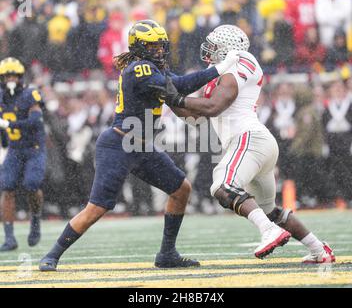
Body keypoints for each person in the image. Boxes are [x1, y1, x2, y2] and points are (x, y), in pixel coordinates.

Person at [39, 19, 239, 271]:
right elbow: (180, 87)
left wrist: (216, 70)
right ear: (140, 47)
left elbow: (178, 84)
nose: (159, 51)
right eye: (154, 46)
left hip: (142, 146)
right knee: (97, 208)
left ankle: (167, 253)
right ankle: (53, 254)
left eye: (161, 46)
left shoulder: (153, 69)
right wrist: (219, 69)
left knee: (181, 189)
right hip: (118, 144)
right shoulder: (139, 69)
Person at [154, 25, 335, 263]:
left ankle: (268, 232)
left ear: (229, 49)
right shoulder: (217, 70)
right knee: (270, 210)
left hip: (248, 139)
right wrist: (168, 97)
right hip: (254, 143)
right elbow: (195, 116)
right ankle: (319, 250)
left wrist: (176, 96)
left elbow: (215, 106)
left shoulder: (241, 59)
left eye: (215, 46)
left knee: (222, 186)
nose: (209, 49)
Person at [0, 57, 46, 251]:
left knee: (31, 185)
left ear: (20, 76)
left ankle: (35, 220)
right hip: (14, 149)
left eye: (14, 75)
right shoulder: (1, 96)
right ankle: (9, 238)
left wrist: (9, 125)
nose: (11, 79)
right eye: (7, 75)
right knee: (7, 188)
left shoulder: (30, 93)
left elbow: (35, 121)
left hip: (33, 148)